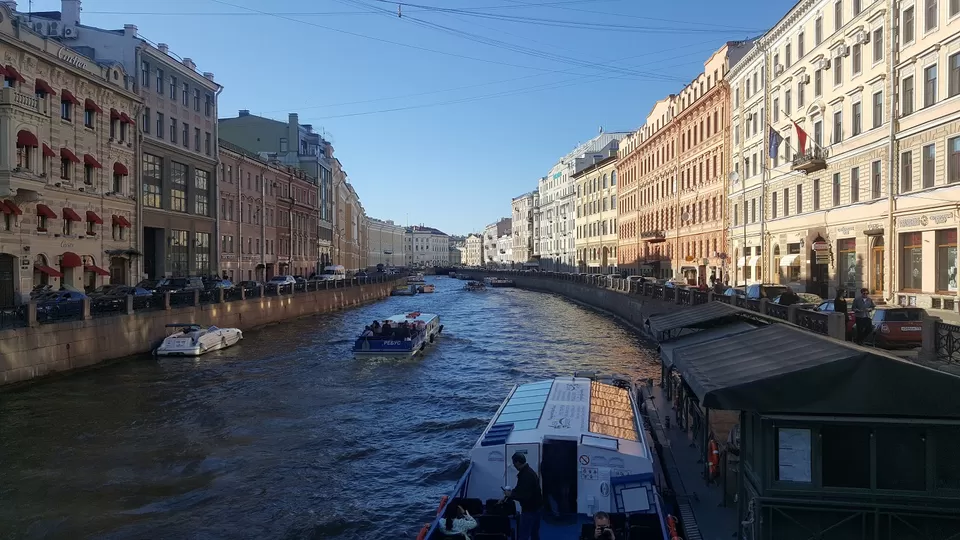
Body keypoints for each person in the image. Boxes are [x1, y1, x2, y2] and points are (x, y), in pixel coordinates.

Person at [503, 452, 542, 540]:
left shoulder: (525, 476)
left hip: (529, 510)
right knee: (534, 533)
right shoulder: (529, 472)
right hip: (537, 507)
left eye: (514, 463)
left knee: (524, 534)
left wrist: (510, 494)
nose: (514, 465)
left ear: (517, 463)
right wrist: (512, 493)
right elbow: (521, 489)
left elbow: (524, 495)